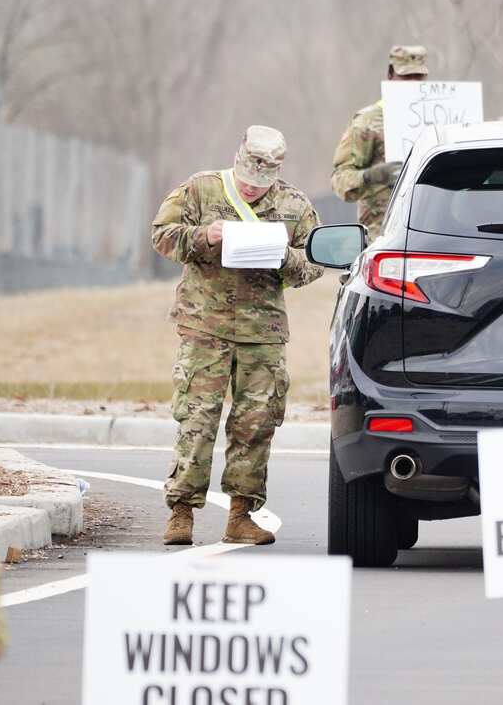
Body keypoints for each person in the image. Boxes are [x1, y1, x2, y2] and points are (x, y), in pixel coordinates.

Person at [151, 126, 323, 545]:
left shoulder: (295, 205)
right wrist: (203, 235)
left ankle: (240, 516)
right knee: (197, 419)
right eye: (246, 179)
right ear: (237, 160)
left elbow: (314, 263)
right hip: (204, 327)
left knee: (256, 424)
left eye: (260, 183)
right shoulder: (201, 189)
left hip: (262, 333)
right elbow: (162, 236)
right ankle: (181, 513)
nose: (250, 188)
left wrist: (283, 258)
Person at [331, 44, 429, 238]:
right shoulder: (368, 122)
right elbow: (340, 181)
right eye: (406, 77)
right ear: (391, 75)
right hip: (384, 234)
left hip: (433, 231)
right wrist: (373, 175)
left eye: (418, 77)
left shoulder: (440, 116)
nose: (412, 83)